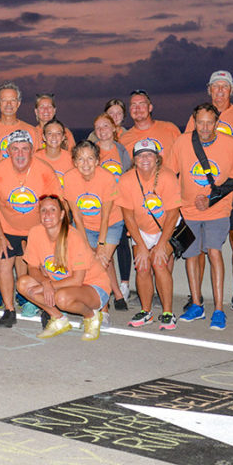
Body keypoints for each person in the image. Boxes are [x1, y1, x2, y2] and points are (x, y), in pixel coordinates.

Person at [183, 71, 233, 315]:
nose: (220, 91)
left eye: (224, 87)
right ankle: (197, 296)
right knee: (199, 245)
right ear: (209, 90)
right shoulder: (197, 116)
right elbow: (187, 148)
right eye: (215, 87)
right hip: (200, 191)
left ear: (232, 90)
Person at [169, 103, 233, 330]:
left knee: (214, 253)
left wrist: (210, 199)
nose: (204, 127)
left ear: (217, 123)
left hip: (217, 210)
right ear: (193, 122)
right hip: (187, 210)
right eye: (200, 122)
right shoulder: (182, 142)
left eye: (209, 122)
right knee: (191, 255)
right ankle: (197, 305)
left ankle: (219, 309)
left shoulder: (230, 144)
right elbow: (171, 174)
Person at [0, 129, 62, 327]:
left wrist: (47, 236)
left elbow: (54, 205)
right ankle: (9, 310)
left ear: (32, 150)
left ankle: (46, 309)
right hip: (7, 227)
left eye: (24, 149)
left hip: (38, 228)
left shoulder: (44, 170)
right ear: (8, 151)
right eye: (15, 149)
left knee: (44, 269)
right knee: (4, 264)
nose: (20, 154)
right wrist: (0, 236)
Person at [17, 194, 111, 341]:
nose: (47, 214)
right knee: (23, 284)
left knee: (61, 298)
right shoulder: (35, 232)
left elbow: (77, 280)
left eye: (52, 210)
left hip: (93, 287)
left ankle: (91, 316)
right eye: (43, 210)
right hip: (62, 285)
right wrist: (46, 283)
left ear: (61, 214)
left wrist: (47, 286)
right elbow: (33, 268)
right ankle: (59, 319)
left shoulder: (73, 237)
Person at [117, 139, 182, 330]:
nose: (145, 158)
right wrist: (142, 247)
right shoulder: (127, 179)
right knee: (142, 264)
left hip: (167, 228)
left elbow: (172, 215)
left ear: (157, 158)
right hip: (142, 229)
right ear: (134, 159)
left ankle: (168, 313)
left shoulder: (168, 177)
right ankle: (146, 312)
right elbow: (128, 216)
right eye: (140, 155)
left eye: (149, 155)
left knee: (159, 261)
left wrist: (162, 244)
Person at [61, 140, 124, 311]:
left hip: (110, 224)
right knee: (89, 260)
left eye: (90, 159)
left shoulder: (107, 178)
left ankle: (103, 310)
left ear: (97, 161)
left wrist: (101, 245)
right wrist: (87, 247)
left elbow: (105, 217)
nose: (85, 164)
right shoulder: (69, 178)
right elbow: (77, 217)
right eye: (80, 159)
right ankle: (103, 301)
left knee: (100, 262)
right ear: (74, 162)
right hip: (85, 225)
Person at [88, 112, 132, 305]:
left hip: (117, 212)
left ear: (114, 128)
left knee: (104, 255)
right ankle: (116, 295)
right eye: (98, 128)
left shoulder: (122, 151)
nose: (102, 131)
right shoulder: (91, 151)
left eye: (105, 126)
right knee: (103, 256)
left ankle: (110, 297)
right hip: (94, 212)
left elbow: (129, 179)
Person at [0, 81, 41, 160]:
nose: (9, 104)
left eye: (13, 100)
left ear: (18, 103)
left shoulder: (32, 131)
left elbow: (38, 161)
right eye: (4, 100)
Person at [118, 90, 180, 157]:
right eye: (134, 105)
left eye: (142, 104)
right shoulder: (123, 140)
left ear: (150, 108)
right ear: (130, 110)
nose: (137, 108)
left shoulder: (170, 129)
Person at [37, 118, 71, 186]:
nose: (54, 137)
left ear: (63, 137)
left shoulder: (72, 159)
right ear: (44, 137)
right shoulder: (35, 158)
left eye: (58, 133)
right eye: (49, 133)